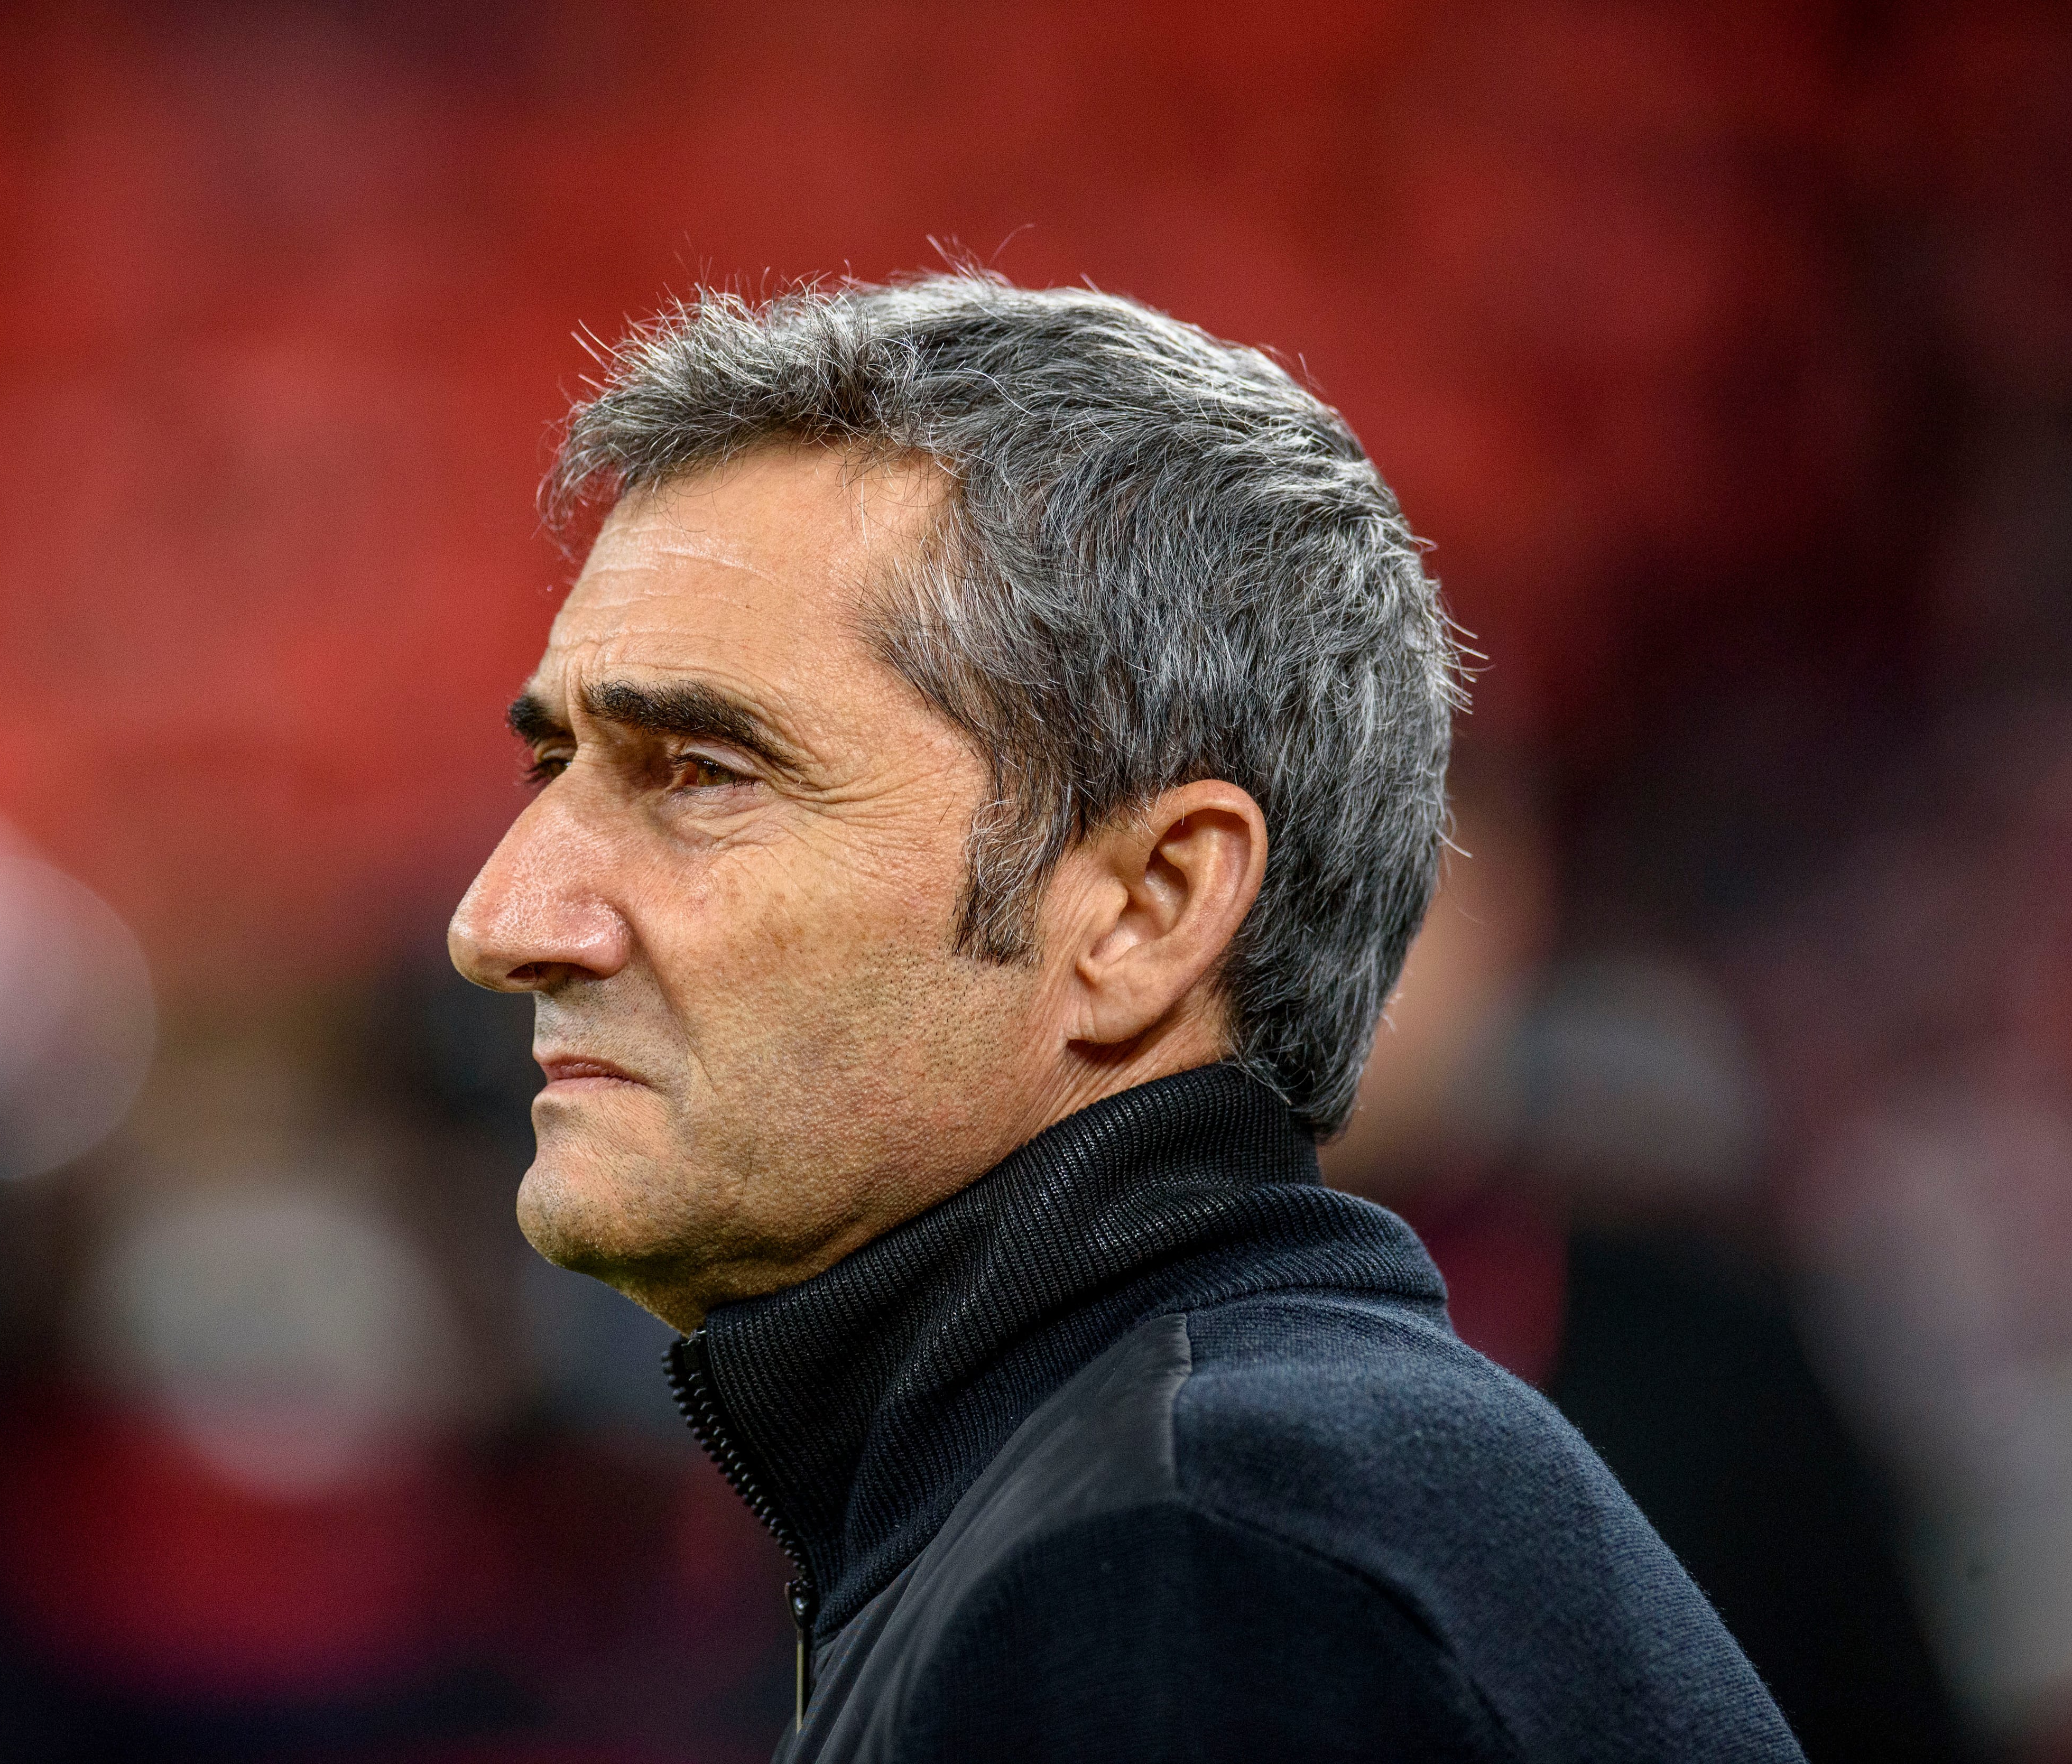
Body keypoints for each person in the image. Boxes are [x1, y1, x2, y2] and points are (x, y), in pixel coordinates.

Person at [447, 274, 1802, 1763]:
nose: (501, 920)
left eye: (702, 771)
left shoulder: (1193, 1572)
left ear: (1148, 909)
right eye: (552, 766)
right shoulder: (1198, 1491)